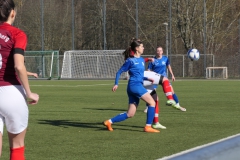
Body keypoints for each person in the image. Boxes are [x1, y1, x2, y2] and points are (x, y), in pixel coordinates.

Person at [0, 0, 39, 159]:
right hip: (11, 92)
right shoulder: (17, 34)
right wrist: (29, 93)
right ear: (12, 13)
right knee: (16, 147)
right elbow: (18, 66)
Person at [103, 39, 160, 133]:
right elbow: (119, 72)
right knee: (152, 103)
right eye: (142, 46)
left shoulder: (141, 60)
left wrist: (147, 79)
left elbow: (138, 75)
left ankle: (109, 122)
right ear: (137, 48)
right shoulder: (130, 61)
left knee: (130, 114)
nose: (143, 48)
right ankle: (148, 126)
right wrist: (116, 84)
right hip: (135, 86)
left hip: (134, 86)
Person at [144, 46, 186, 113]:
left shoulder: (165, 58)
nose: (159, 52)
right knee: (151, 93)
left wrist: (172, 75)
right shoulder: (153, 60)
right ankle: (147, 107)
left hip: (164, 78)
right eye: (158, 51)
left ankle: (178, 105)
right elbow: (148, 70)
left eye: (160, 51)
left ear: (162, 51)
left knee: (172, 91)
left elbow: (168, 66)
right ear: (156, 52)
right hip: (155, 78)